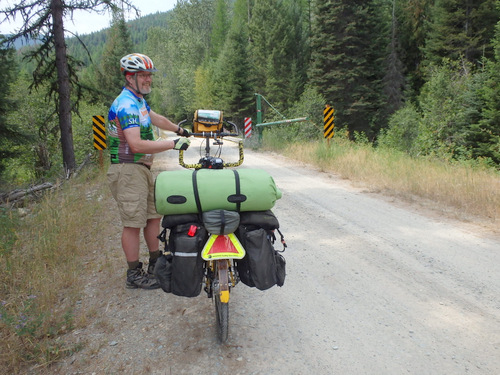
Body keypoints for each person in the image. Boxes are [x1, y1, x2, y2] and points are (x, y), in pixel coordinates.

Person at [107, 53, 190, 289]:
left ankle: (156, 264)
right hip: (127, 169)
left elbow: (157, 119)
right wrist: (172, 144)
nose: (148, 80)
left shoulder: (139, 101)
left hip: (141, 169)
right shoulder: (126, 104)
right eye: (142, 75)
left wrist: (180, 130)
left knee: (154, 216)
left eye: (149, 76)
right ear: (129, 77)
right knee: (133, 222)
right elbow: (136, 145)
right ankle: (134, 273)